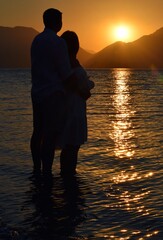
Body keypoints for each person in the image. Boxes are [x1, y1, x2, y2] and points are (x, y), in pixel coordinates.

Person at [30, 8, 90, 177]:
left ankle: (37, 169)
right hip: (53, 94)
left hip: (37, 92)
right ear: (57, 22)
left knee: (37, 131)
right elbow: (65, 73)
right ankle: (47, 172)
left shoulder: (36, 40)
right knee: (50, 134)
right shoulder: (58, 42)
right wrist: (82, 90)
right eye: (61, 20)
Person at [59, 31, 95, 176]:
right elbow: (86, 91)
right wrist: (89, 83)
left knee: (66, 147)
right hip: (76, 112)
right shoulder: (77, 69)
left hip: (64, 110)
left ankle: (63, 176)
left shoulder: (62, 67)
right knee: (73, 148)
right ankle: (70, 179)